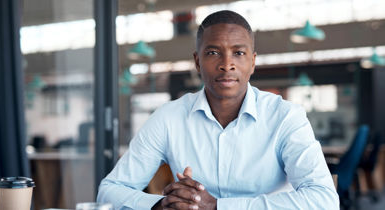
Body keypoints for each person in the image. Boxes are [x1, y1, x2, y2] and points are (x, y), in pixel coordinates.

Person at [97, 10, 339, 209]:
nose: (226, 65)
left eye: (238, 53)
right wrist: (164, 204)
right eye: (213, 53)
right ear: (197, 62)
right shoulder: (168, 118)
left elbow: (324, 200)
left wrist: (217, 207)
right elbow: (109, 192)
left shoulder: (286, 117)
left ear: (252, 62)